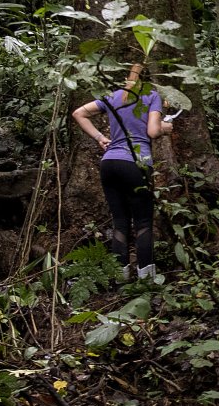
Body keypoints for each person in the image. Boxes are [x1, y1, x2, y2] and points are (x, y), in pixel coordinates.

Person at [71, 64, 172, 281]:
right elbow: (153, 131)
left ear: (127, 78)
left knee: (120, 221)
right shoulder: (152, 96)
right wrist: (165, 127)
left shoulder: (112, 97)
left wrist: (100, 138)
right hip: (136, 162)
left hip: (109, 164)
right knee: (143, 222)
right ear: (149, 81)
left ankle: (120, 277)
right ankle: (147, 278)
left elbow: (79, 113)